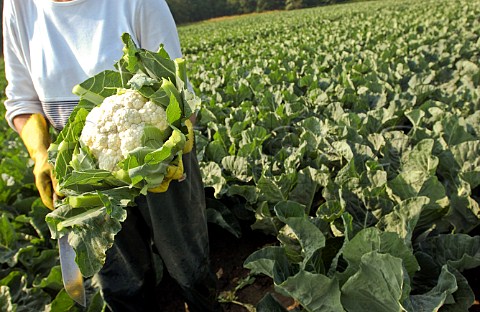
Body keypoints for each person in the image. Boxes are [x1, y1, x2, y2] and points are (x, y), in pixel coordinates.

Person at [2, 0, 220, 311]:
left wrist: (176, 139)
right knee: (121, 279)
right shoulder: (18, 6)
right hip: (87, 174)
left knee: (187, 263)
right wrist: (40, 154)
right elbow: (22, 100)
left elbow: (176, 85)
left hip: (163, 162)